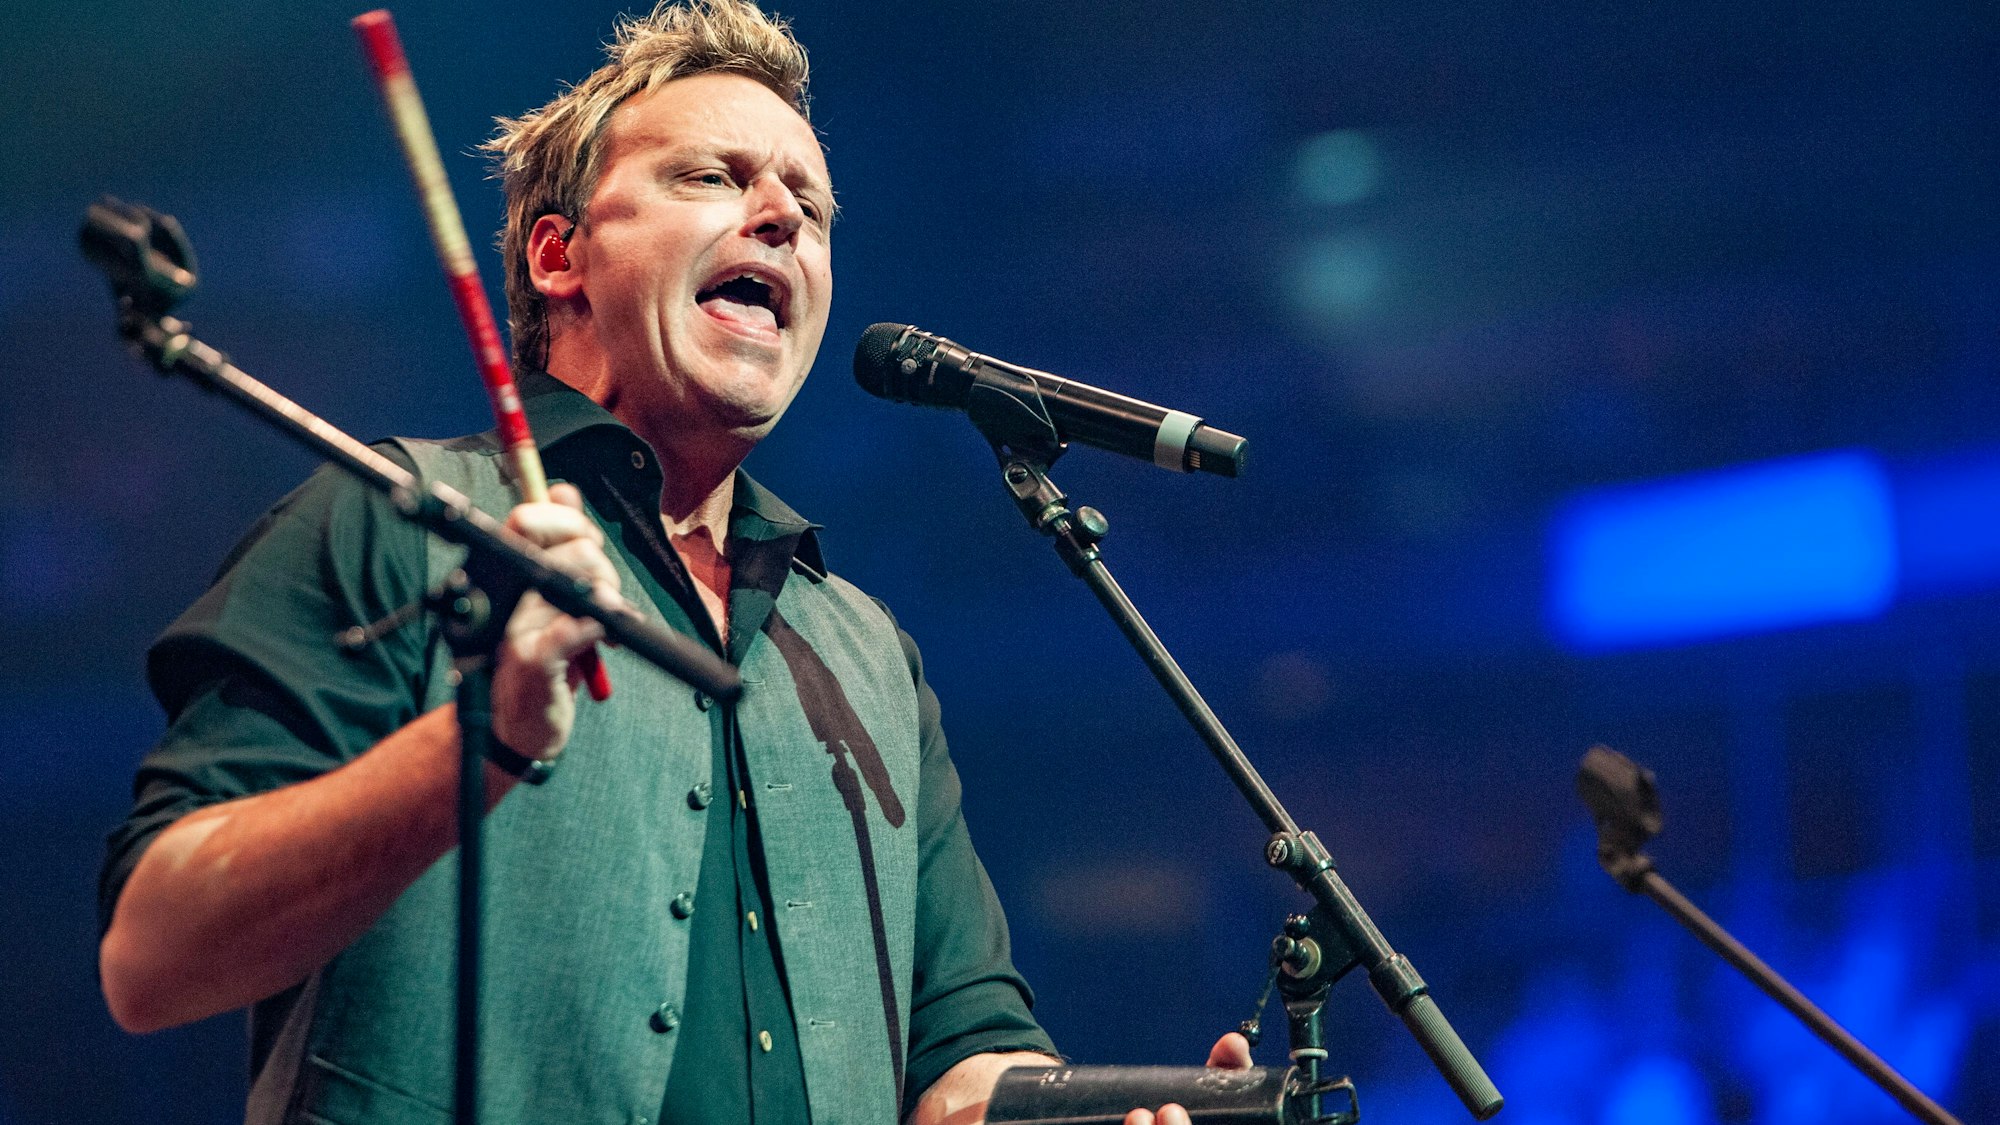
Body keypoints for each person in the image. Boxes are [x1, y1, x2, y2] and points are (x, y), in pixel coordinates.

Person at [97, 3, 1247, 1122]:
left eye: (809, 203)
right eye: (712, 177)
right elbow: (153, 960)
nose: (780, 219)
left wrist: (1145, 1109)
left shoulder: (866, 652)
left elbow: (958, 1075)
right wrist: (478, 740)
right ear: (559, 255)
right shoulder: (394, 516)